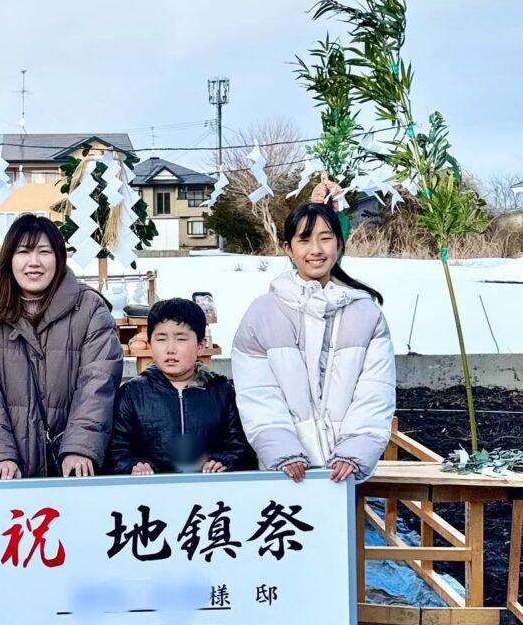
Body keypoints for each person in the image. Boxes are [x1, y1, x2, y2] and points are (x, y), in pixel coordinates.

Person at [232, 201, 395, 483]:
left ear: (340, 245)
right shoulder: (262, 314)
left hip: (345, 473)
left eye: (325, 238)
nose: (316, 249)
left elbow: (375, 393)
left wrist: (353, 453)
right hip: (285, 473)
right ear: (288, 249)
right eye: (304, 240)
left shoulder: (367, 314)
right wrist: (284, 452)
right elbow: (257, 395)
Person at [0, 213, 123, 480]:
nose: (33, 263)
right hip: (5, 473)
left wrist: (79, 447)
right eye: (23, 252)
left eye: (44, 252)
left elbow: (98, 381)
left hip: (73, 470)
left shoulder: (90, 308)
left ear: (58, 258)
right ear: (9, 260)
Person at [105, 298, 254, 475]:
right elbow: (116, 450)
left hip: (210, 493)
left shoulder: (223, 392)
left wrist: (224, 461)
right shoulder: (132, 394)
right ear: (150, 344)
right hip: (152, 494)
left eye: (181, 339)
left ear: (201, 345)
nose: (170, 349)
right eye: (161, 339)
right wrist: (132, 465)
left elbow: (241, 446)